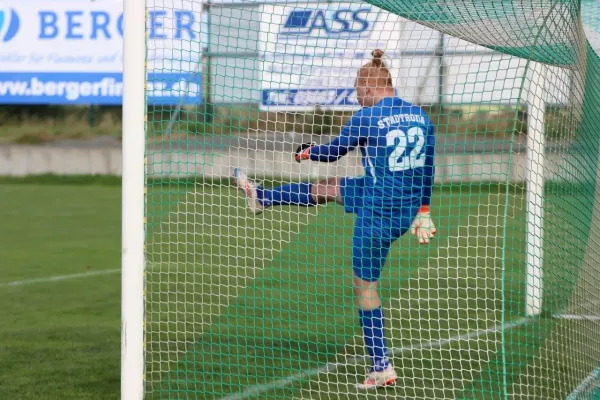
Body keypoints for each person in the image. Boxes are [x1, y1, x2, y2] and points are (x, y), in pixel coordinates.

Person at [233, 49, 437, 389]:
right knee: (329, 188)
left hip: (377, 211)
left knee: (365, 288)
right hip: (401, 205)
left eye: (358, 91)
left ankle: (381, 366)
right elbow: (428, 168)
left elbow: (333, 152)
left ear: (369, 87)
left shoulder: (367, 117)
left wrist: (307, 150)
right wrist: (424, 212)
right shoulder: (419, 116)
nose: (357, 98)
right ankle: (262, 198)